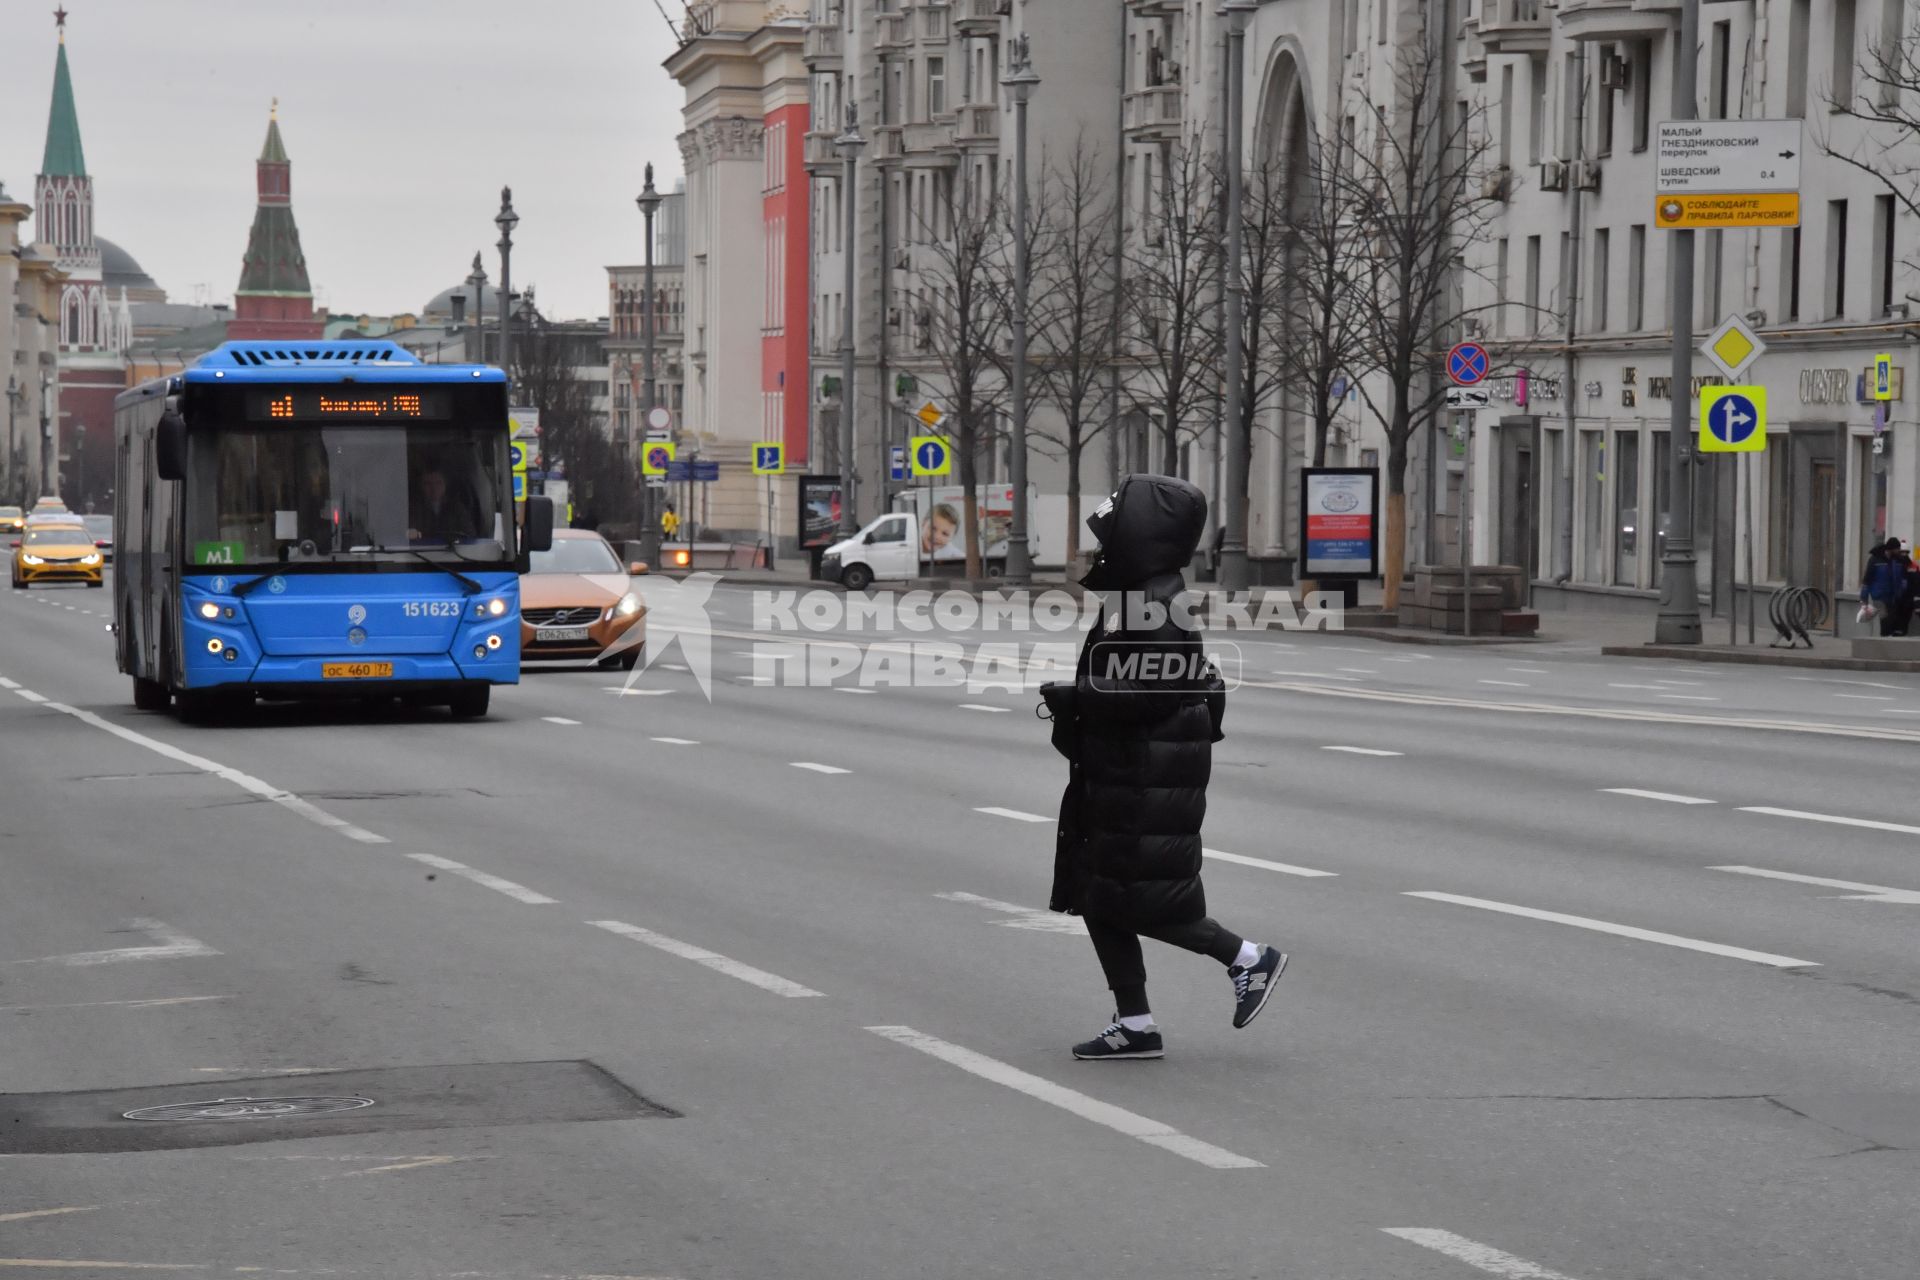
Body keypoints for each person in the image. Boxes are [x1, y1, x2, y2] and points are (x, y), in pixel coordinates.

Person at [1039, 473, 1286, 1061]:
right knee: (1100, 897)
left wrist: (1075, 697)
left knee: (1146, 900)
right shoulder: (1141, 595)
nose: (1100, 549)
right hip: (1127, 769)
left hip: (1146, 777)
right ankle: (1136, 1023)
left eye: (1110, 536)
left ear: (1141, 538)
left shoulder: (1152, 606)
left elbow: (1148, 694)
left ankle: (1249, 958)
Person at [408, 465, 477, 545]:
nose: (434, 488)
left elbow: (470, 535)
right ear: (420, 486)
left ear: (445, 485)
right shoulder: (413, 509)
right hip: (419, 553)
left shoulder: (456, 508)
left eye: (438, 483)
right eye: (427, 484)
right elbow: (405, 535)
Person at [1860, 536, 1905, 635]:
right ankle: (1883, 640)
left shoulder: (1897, 560)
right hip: (1879, 596)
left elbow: (1902, 577)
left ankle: (1887, 640)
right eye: (1897, 549)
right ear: (1891, 549)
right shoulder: (1875, 560)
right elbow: (1867, 580)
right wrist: (1864, 599)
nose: (1899, 550)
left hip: (1893, 596)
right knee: (1884, 619)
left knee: (1892, 620)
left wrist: (1902, 589)